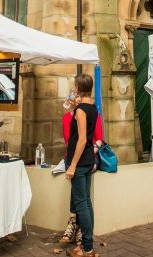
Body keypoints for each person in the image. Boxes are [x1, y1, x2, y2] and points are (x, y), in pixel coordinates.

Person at [60, 92, 103, 245]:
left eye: (78, 95)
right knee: (79, 194)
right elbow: (69, 140)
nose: (75, 99)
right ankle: (77, 227)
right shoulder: (67, 118)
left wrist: (90, 152)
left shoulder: (90, 113)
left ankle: (78, 229)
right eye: (73, 97)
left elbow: (98, 138)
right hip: (73, 156)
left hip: (87, 156)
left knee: (82, 197)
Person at [64, 74, 98, 257]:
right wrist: (73, 106)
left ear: (77, 87)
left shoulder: (81, 110)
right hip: (88, 160)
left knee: (81, 204)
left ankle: (87, 248)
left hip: (80, 161)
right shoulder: (91, 107)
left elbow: (82, 139)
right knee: (86, 202)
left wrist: (72, 166)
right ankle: (87, 245)